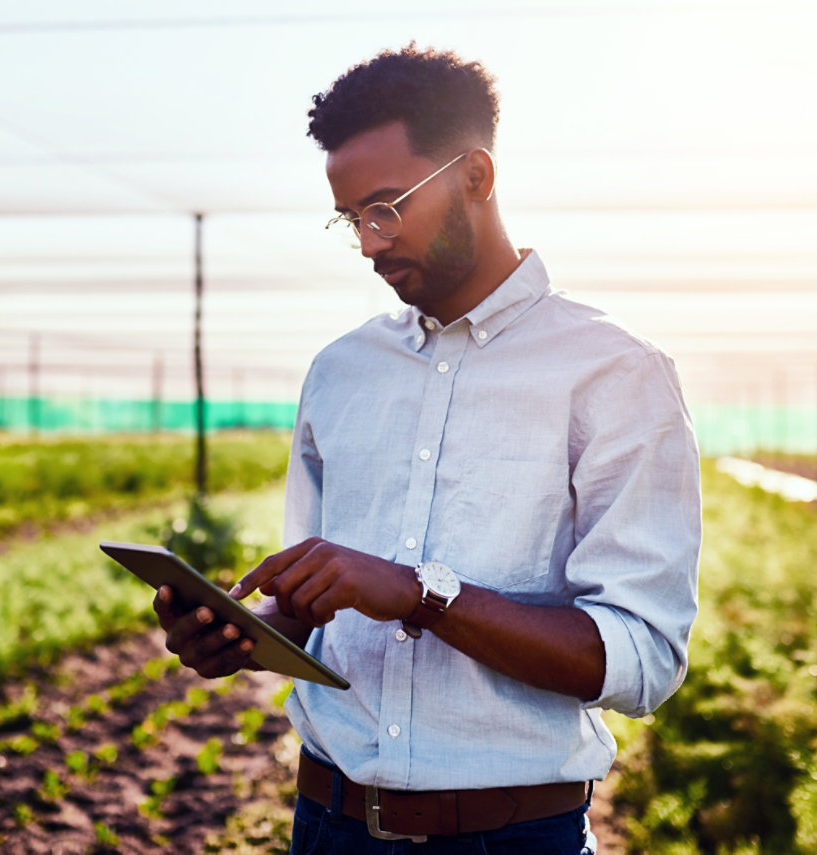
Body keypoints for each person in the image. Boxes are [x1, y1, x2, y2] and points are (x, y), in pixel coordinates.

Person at [154, 44, 701, 854]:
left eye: (386, 208)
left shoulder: (615, 374)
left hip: (509, 839)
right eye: (351, 221)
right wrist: (250, 630)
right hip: (327, 826)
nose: (370, 244)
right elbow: (318, 614)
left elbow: (640, 657)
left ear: (475, 176)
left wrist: (419, 593)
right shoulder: (340, 372)